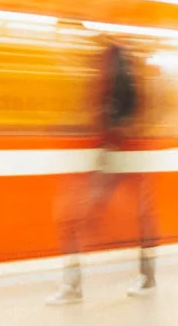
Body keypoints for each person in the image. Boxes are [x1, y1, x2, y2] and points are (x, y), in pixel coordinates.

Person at [47, 33, 157, 304]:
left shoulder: (111, 59)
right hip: (126, 151)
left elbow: (108, 110)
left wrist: (103, 144)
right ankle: (148, 278)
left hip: (114, 151)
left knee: (72, 216)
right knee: (141, 215)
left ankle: (72, 287)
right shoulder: (123, 59)